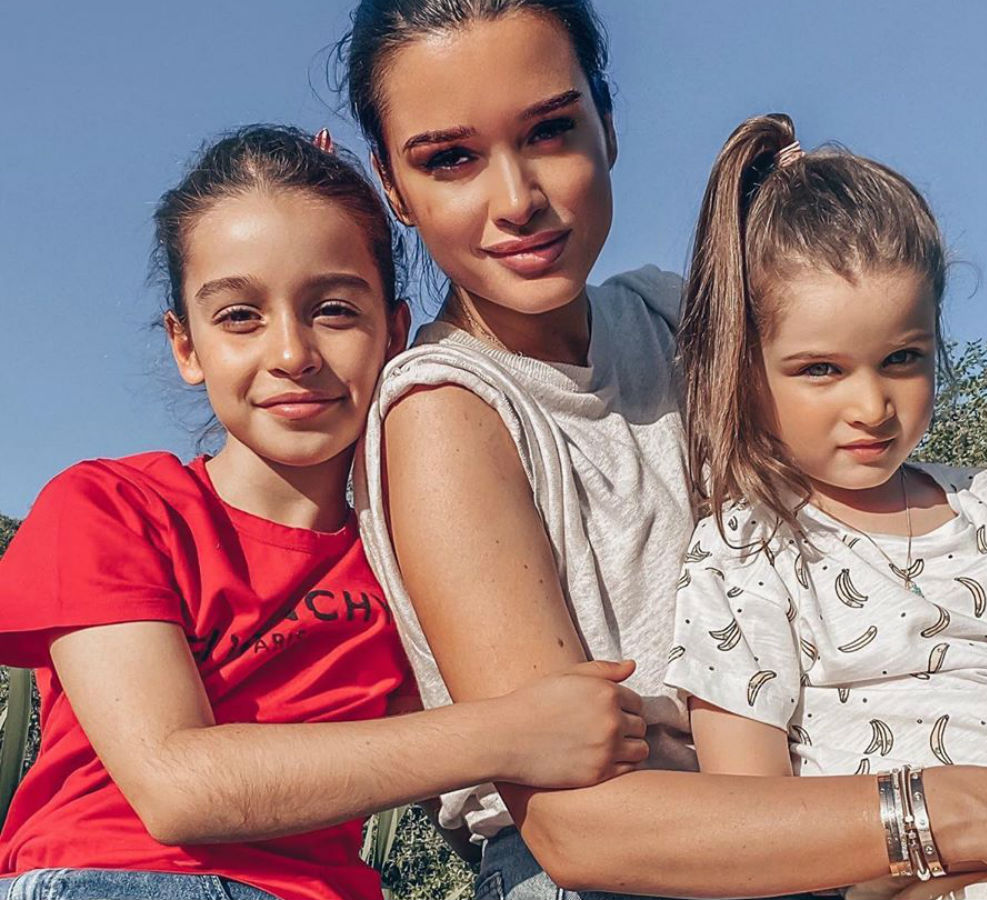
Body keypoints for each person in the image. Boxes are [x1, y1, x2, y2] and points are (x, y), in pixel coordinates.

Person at [342, 1, 987, 897]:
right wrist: (984, 808)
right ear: (393, 186)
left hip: (838, 829)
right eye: (450, 158)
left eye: (550, 130)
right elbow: (576, 826)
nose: (517, 198)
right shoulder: (447, 412)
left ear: (608, 122)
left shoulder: (683, 320)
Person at [0, 125, 648, 900]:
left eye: (333, 310)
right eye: (240, 316)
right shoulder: (111, 507)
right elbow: (175, 785)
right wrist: (512, 732)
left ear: (395, 333)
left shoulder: (410, 560)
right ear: (186, 346)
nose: (292, 354)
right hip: (118, 879)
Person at [664, 113, 987, 900]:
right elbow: (751, 813)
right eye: (820, 369)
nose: (871, 406)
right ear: (745, 369)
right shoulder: (746, 553)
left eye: (902, 358)